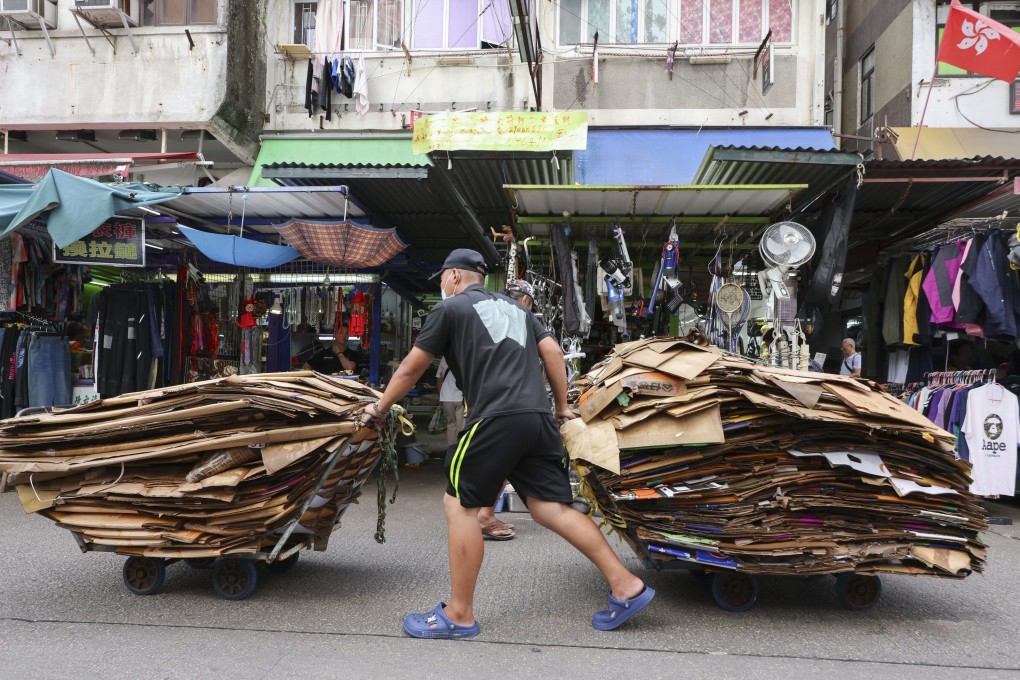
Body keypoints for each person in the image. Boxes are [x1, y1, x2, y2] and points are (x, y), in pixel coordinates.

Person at [367, 248, 653, 639]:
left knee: (460, 506)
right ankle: (625, 585)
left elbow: (412, 367)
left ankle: (459, 614)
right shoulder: (519, 310)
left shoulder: (449, 310)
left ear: (452, 276)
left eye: (441, 281)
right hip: (536, 419)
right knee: (551, 507)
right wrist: (561, 406)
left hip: (496, 419)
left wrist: (381, 408)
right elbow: (552, 352)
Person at [437, 356, 515, 540]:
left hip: (486, 406)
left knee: (503, 465)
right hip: (485, 409)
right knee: (492, 464)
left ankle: (483, 515)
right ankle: (480, 517)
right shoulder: (466, 349)